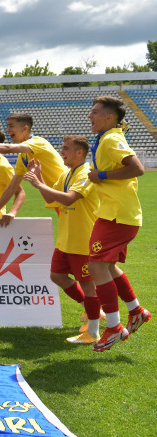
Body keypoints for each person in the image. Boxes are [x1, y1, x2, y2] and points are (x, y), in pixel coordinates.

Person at [23, 136, 101, 344]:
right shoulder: (67, 174)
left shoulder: (85, 173)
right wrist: (40, 180)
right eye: (62, 148)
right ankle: (92, 309)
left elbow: (69, 199)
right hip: (67, 238)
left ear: (79, 153)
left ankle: (93, 332)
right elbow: (50, 198)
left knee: (87, 284)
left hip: (83, 239)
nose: (62, 152)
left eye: (66, 149)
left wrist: (39, 183)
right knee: (57, 275)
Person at [86, 96, 149, 351]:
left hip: (117, 215)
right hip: (115, 213)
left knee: (96, 265)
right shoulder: (108, 137)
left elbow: (137, 168)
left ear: (109, 117)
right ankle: (137, 311)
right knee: (107, 266)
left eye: (95, 112)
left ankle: (114, 327)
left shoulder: (111, 138)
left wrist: (100, 175)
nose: (90, 116)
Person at [0, 113, 65, 225]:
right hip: (59, 199)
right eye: (7, 126)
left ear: (25, 128)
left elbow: (8, 148)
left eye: (11, 126)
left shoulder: (38, 142)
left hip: (70, 193)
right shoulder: (23, 158)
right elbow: (11, 188)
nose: (8, 130)